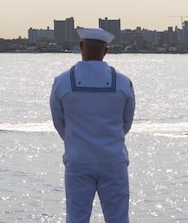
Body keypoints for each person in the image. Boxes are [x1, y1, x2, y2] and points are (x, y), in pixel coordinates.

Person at [49, 27, 135, 223]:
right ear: (105, 51)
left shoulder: (62, 82)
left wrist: (76, 141)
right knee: (118, 217)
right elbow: (126, 123)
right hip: (113, 159)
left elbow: (59, 122)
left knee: (77, 217)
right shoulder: (123, 83)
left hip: (78, 159)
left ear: (81, 46)